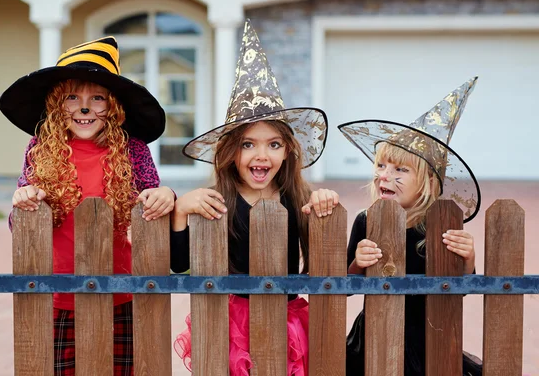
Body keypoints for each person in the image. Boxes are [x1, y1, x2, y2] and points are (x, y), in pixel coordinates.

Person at [170, 20, 338, 376]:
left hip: (288, 317)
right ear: (231, 152)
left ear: (288, 152)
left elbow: (330, 265)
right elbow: (179, 264)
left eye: (274, 145)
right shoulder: (215, 201)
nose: (262, 155)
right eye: (248, 144)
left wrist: (325, 202)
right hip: (232, 320)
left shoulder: (299, 198)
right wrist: (181, 211)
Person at [0, 36, 175, 376]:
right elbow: (18, 224)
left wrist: (166, 195)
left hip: (120, 291)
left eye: (97, 98)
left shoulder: (132, 149)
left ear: (113, 106)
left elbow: (152, 204)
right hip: (56, 293)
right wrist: (23, 201)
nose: (84, 108)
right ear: (55, 104)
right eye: (72, 97)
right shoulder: (40, 150)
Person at [338, 77, 483, 375]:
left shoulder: (439, 225)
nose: (384, 176)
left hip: (429, 337)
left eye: (400, 169)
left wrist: (468, 260)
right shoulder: (366, 220)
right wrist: (357, 264)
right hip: (373, 338)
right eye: (381, 166)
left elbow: (459, 288)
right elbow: (345, 287)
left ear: (429, 181)